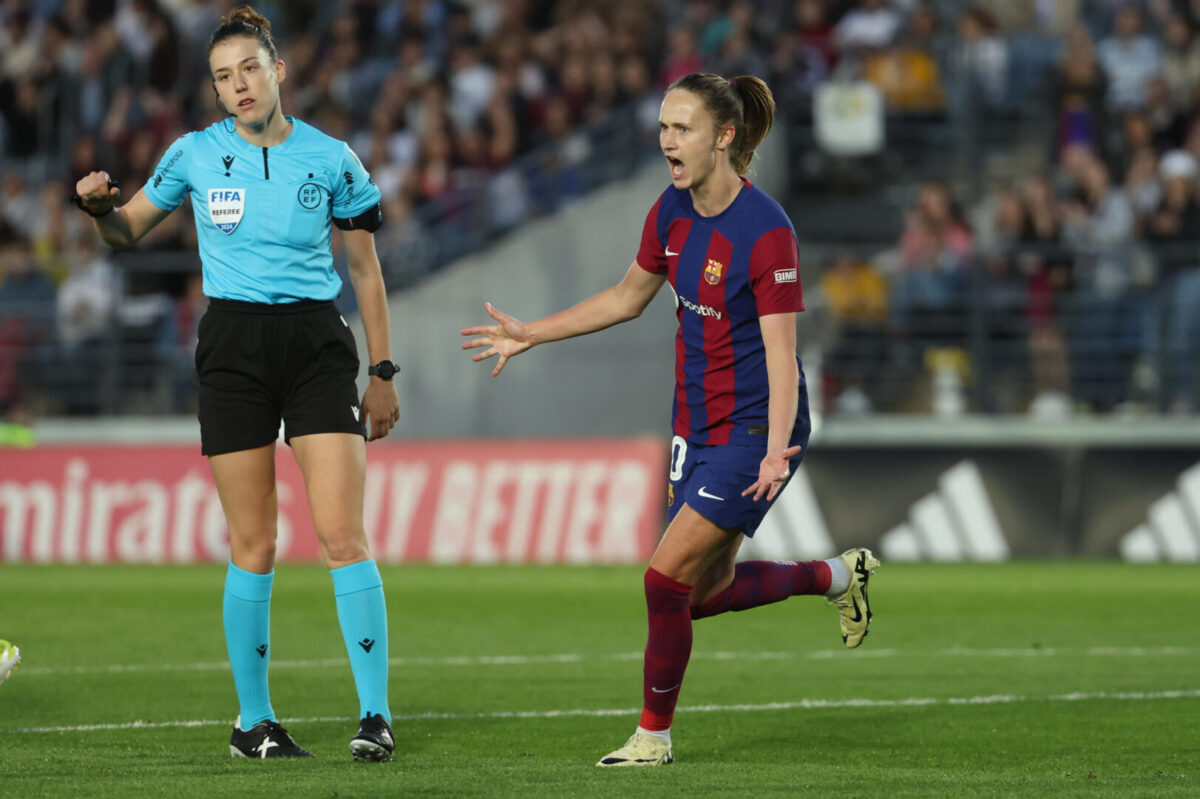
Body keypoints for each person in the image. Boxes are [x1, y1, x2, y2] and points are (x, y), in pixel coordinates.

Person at [461, 72, 879, 767]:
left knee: (662, 580)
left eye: (680, 128)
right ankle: (837, 576)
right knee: (701, 594)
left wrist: (777, 450)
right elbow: (627, 297)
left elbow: (783, 357)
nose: (666, 141)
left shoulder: (767, 230)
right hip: (694, 425)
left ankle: (652, 737)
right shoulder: (671, 210)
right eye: (661, 127)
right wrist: (531, 332)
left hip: (755, 429)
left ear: (723, 137)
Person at [73, 6, 400, 762]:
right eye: (224, 77)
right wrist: (98, 213)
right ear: (216, 92)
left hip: (318, 344)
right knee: (253, 542)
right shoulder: (191, 155)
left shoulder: (333, 158)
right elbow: (127, 230)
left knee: (343, 534)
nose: (239, 85)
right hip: (232, 348)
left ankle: (375, 715)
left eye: (250, 68)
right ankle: (253, 722)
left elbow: (365, 271)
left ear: (279, 69)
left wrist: (382, 372)